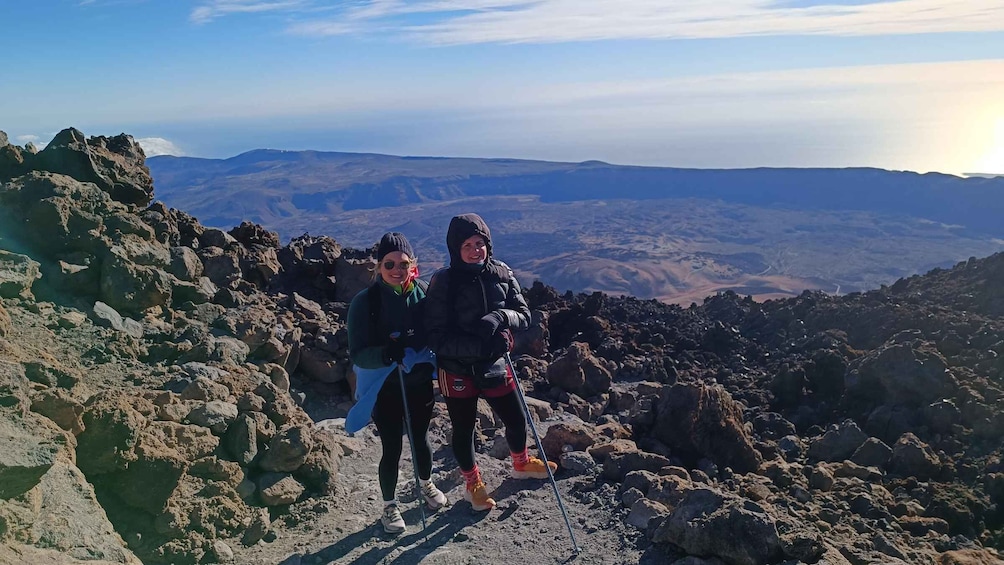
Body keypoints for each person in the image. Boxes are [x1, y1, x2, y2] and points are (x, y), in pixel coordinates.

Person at [424, 213, 557, 512]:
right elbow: (434, 336)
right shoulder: (443, 281)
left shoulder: (501, 273)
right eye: (467, 244)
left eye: (480, 243)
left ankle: (520, 464)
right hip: (457, 369)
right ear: (455, 248)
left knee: (515, 418)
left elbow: (523, 314)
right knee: (464, 428)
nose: (475, 250)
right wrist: (478, 345)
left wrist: (502, 318)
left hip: (495, 363)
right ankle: (473, 484)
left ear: (488, 244)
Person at [346, 232, 448, 534]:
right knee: (391, 447)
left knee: (420, 439)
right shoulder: (365, 303)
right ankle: (389, 506)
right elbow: (358, 354)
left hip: (418, 385)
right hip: (385, 389)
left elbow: (436, 332)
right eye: (389, 263)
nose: (396, 270)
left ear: (412, 265)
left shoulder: (423, 293)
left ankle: (425, 484)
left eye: (403, 263)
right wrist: (385, 354)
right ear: (379, 266)